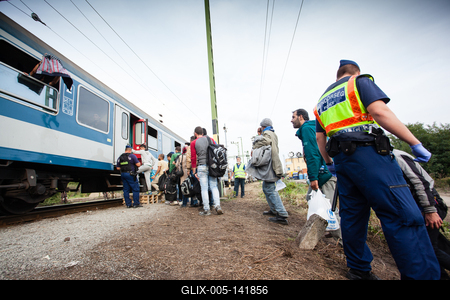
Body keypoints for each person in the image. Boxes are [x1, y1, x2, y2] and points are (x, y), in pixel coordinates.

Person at [314, 59, 440, 280]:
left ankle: (359, 270)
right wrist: (414, 143)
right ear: (355, 71)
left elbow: (319, 137)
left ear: (337, 75)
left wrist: (330, 163)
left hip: (343, 161)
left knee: (352, 216)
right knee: (402, 213)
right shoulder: (359, 82)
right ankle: (422, 275)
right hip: (369, 155)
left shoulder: (322, 101)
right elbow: (380, 112)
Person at [393, 149, 450, 279]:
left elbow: (421, 182)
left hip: (430, 204)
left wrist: (430, 209)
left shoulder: (397, 156)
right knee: (435, 244)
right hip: (415, 207)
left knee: (427, 248)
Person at [292, 108, 340, 237]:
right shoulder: (312, 127)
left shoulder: (307, 129)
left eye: (293, 117)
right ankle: (329, 227)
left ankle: (343, 240)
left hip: (324, 174)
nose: (291, 120)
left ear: (301, 117)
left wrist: (313, 177)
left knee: (331, 206)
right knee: (311, 198)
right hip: (324, 171)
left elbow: (313, 154)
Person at [253, 118, 288, 225]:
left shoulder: (267, 133)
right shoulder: (272, 133)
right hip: (273, 165)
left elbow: (265, 141)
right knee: (266, 187)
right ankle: (274, 210)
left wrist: (255, 144)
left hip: (271, 166)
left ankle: (281, 214)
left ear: (263, 126)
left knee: (270, 189)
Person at [191, 126, 223, 216]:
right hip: (212, 166)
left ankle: (207, 209)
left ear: (195, 133)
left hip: (202, 167)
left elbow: (193, 158)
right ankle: (217, 206)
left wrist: (194, 171)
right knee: (213, 186)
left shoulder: (194, 142)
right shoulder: (210, 140)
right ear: (203, 133)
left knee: (204, 188)